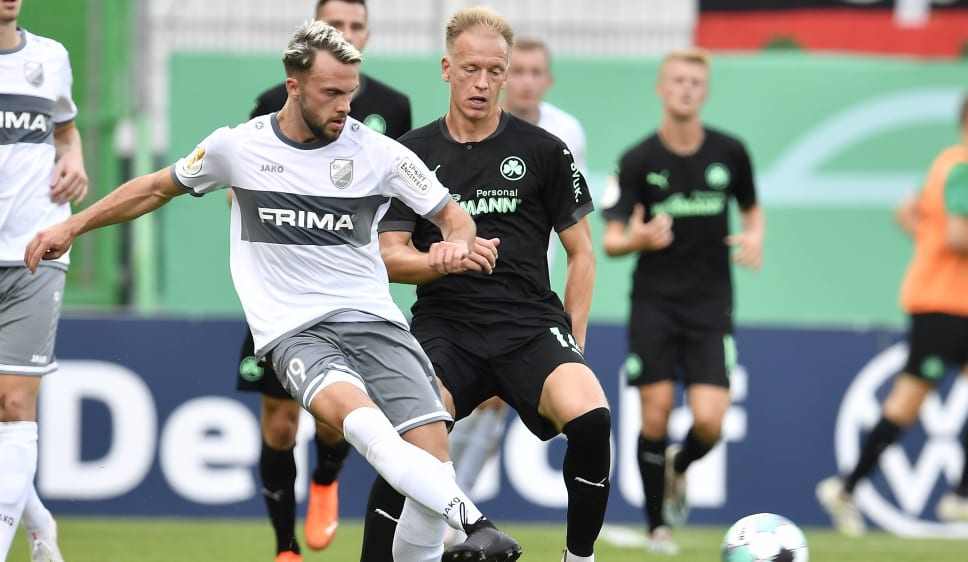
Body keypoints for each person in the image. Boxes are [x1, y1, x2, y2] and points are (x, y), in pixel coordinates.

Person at [25, 20, 522, 562]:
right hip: (297, 334)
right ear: (294, 86)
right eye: (331, 93)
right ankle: (481, 526)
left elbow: (455, 218)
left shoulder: (378, 152)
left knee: (433, 474)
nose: (344, 107)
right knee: (371, 434)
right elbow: (151, 188)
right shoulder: (237, 148)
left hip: (377, 324)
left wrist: (453, 245)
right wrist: (70, 226)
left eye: (350, 94)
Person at [365, 7, 611, 562]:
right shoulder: (412, 154)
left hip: (530, 324)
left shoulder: (546, 150)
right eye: (471, 69)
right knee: (412, 443)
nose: (483, 82)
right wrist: (441, 260)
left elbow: (582, 252)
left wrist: (574, 336)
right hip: (445, 326)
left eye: (495, 71)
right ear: (447, 69)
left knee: (592, 417)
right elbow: (390, 258)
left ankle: (580, 558)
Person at [234, 1, 411, 560]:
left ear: (368, 34)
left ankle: (327, 479)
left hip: (347, 295)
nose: (348, 33)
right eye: (337, 25)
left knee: (335, 421)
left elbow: (404, 199)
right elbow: (240, 187)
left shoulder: (390, 109)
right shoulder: (272, 105)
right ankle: (285, 546)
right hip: (280, 297)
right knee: (279, 424)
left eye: (357, 26)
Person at [601, 47, 764, 555]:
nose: (686, 88)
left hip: (711, 305)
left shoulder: (731, 152)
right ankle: (658, 528)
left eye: (695, 81)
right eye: (677, 80)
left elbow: (753, 212)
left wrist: (755, 236)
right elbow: (610, 240)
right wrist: (639, 239)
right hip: (654, 302)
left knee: (710, 420)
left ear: (706, 91)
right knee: (654, 416)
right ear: (661, 88)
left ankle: (682, 464)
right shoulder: (636, 160)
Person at [816, 92, 968, 538]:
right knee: (905, 404)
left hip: (961, 306)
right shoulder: (965, 171)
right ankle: (845, 487)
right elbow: (956, 236)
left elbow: (907, 212)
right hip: (939, 306)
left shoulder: (949, 165)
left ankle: (960, 496)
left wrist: (929, 244)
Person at [445, 35, 590, 525]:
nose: (525, 81)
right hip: (464, 289)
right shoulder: (471, 128)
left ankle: (456, 501)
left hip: (529, 290)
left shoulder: (563, 134)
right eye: (519, 70)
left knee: (497, 404)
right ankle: (450, 504)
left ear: (545, 80)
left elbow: (575, 231)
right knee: (461, 401)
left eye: (534, 72)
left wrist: (573, 332)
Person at [1, 0, 88, 560]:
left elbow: (67, 134)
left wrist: (74, 159)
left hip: (35, 250)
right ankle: (39, 522)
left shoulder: (50, 58)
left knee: (13, 402)